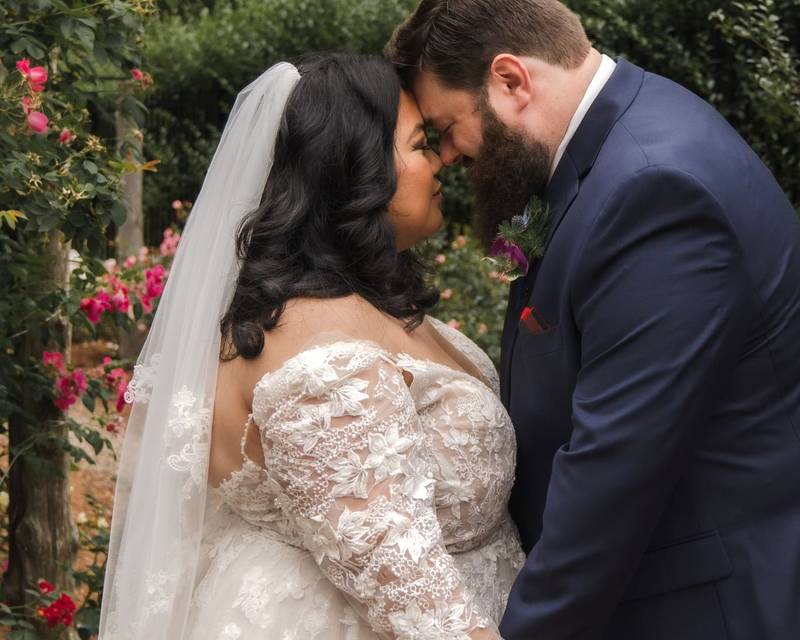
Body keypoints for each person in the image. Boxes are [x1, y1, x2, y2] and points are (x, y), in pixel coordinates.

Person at [386, 1, 800, 638]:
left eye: (447, 127)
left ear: (511, 81)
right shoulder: (606, 148)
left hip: (758, 601)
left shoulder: (651, 191)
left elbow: (615, 469)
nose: (451, 155)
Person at [99, 53, 522, 640]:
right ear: (358, 169)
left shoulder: (340, 308)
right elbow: (418, 602)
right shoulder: (327, 366)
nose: (441, 163)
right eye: (423, 144)